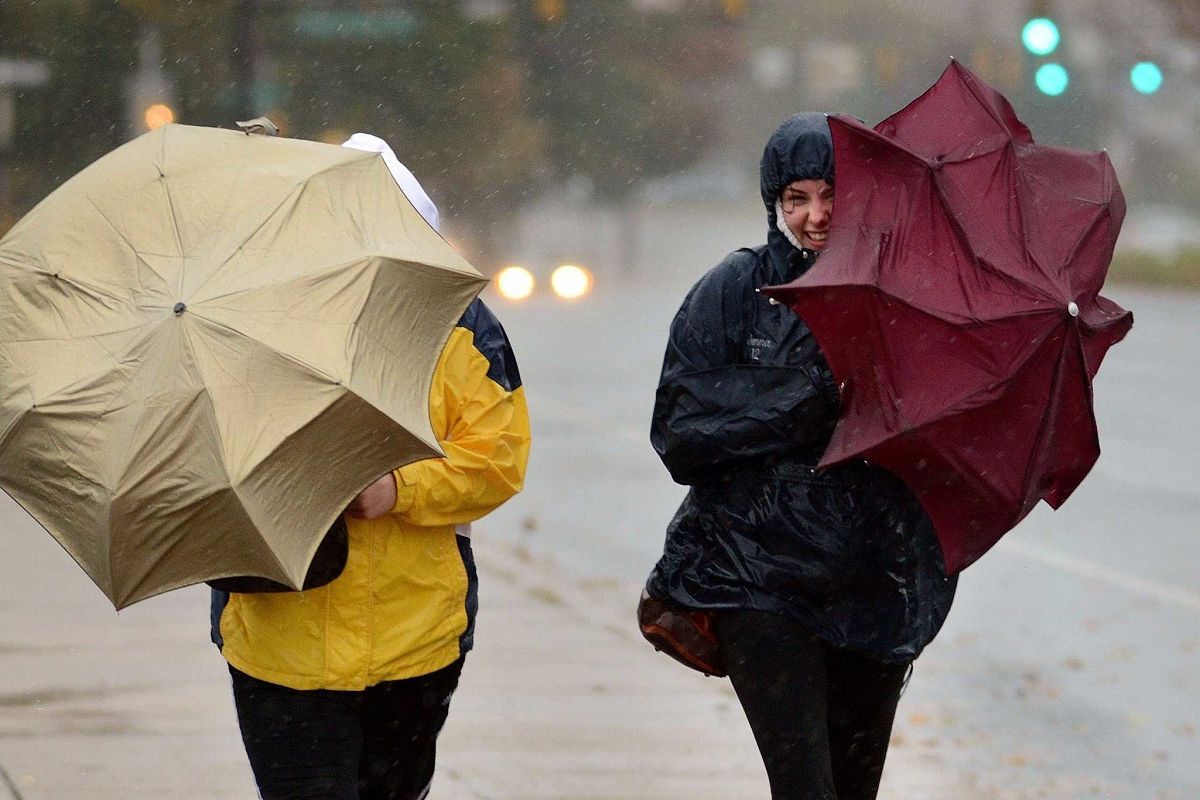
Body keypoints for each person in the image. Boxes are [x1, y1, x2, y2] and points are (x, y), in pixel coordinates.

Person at [644, 113, 957, 800]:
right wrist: (803, 403)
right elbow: (681, 435)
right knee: (804, 786)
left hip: (877, 583)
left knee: (853, 787)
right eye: (796, 198)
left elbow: (941, 447)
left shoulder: (908, 296)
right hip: (758, 579)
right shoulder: (734, 291)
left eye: (831, 195)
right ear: (774, 203)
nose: (815, 216)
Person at [210, 133, 531, 800]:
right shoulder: (250, 322)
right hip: (280, 644)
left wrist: (399, 488)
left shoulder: (465, 330)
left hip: (415, 643)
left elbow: (498, 458)